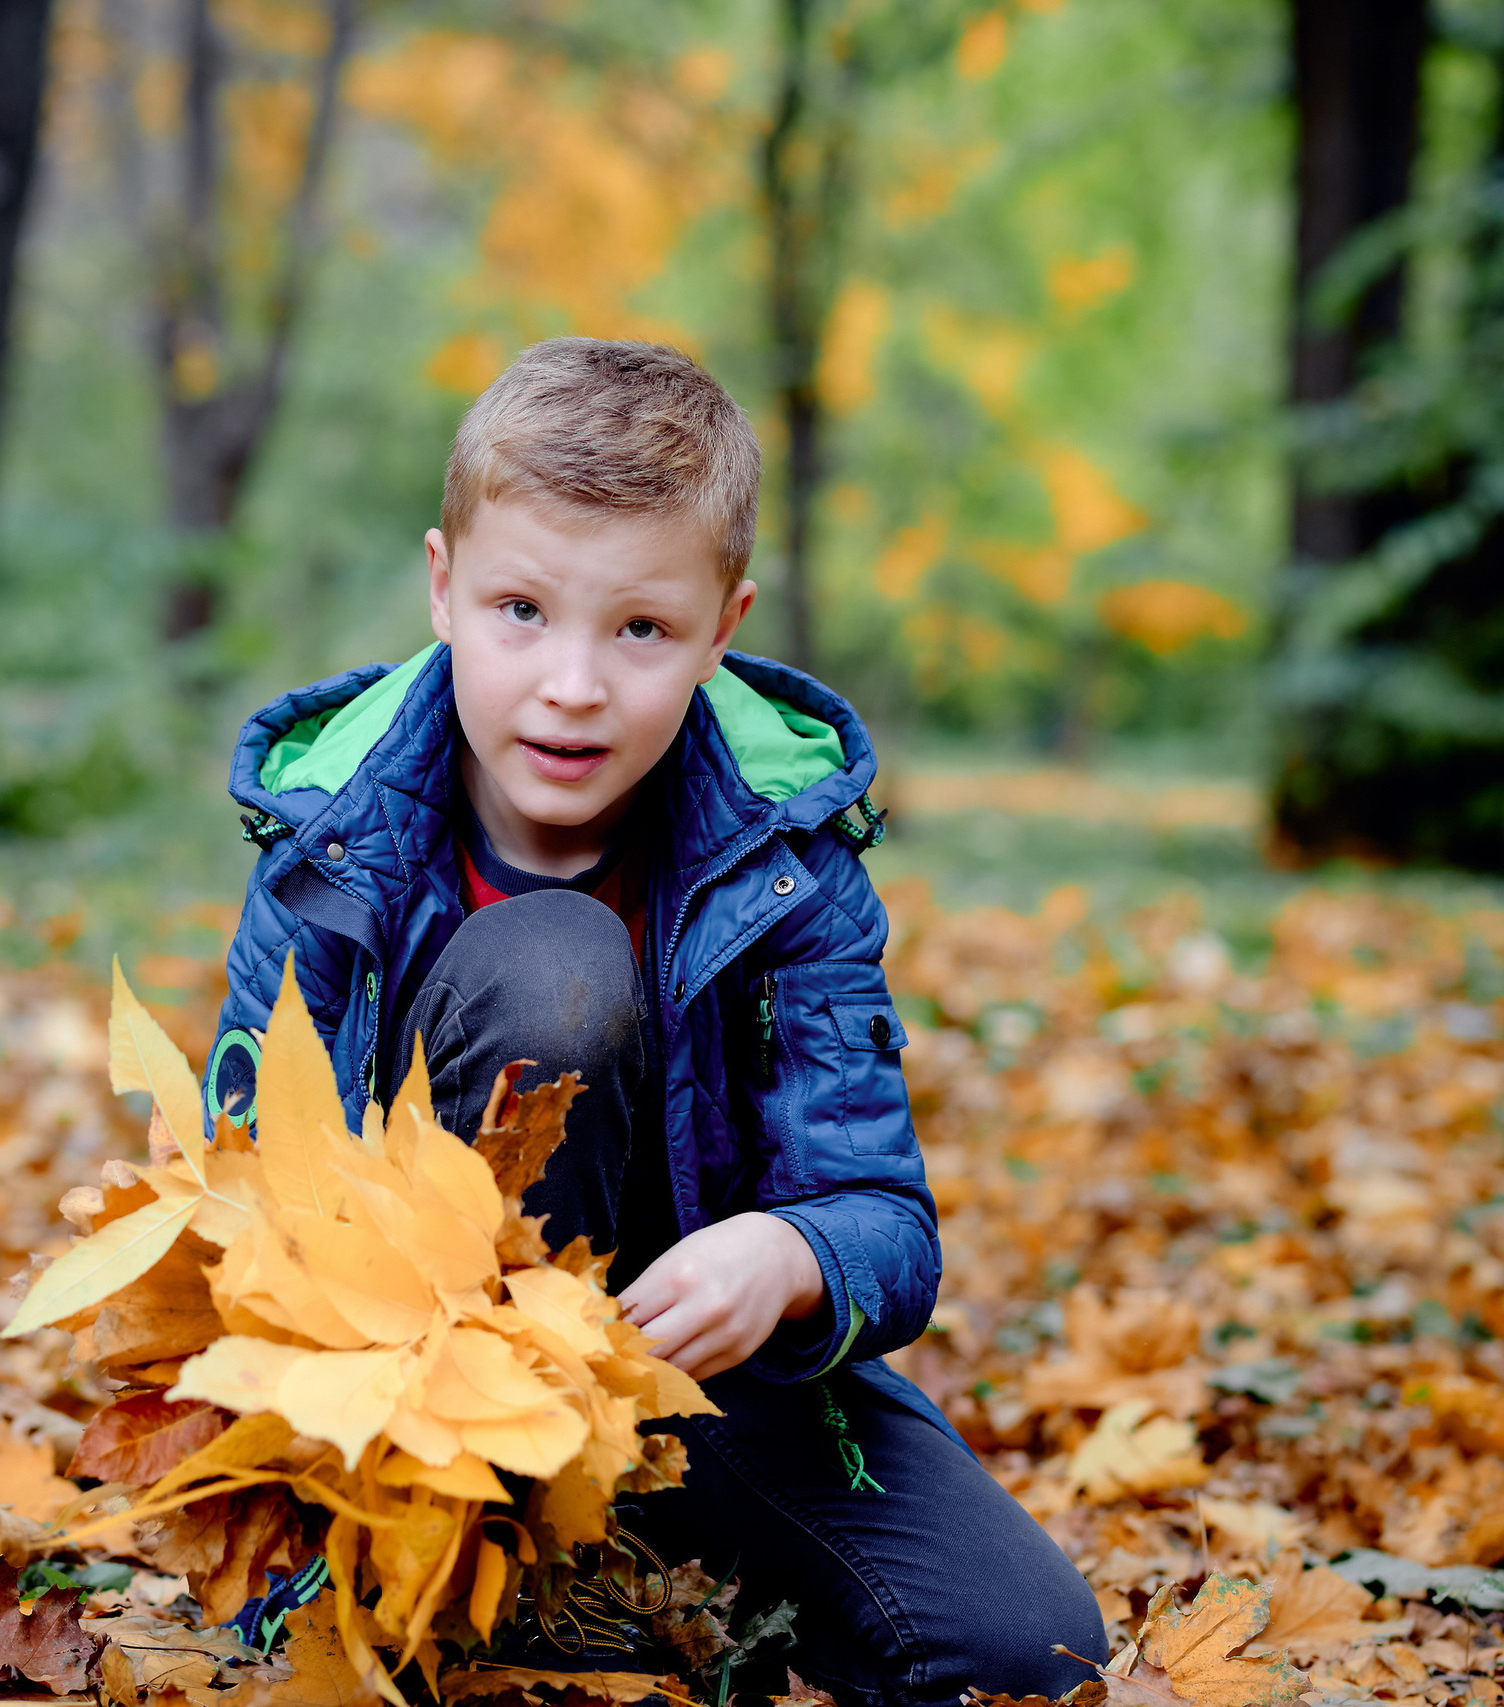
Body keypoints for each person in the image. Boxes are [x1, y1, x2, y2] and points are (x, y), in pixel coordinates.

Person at [208, 339, 1104, 1704]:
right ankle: (496, 1553)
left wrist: (790, 1252)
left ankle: (631, 1538)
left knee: (1025, 1653)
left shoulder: (788, 864)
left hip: (693, 1377)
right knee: (554, 964)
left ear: (721, 628)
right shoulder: (335, 854)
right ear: (443, 587)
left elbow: (885, 1213)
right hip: (408, 1388)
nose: (573, 681)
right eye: (522, 609)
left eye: (639, 629)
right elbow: (239, 1197)